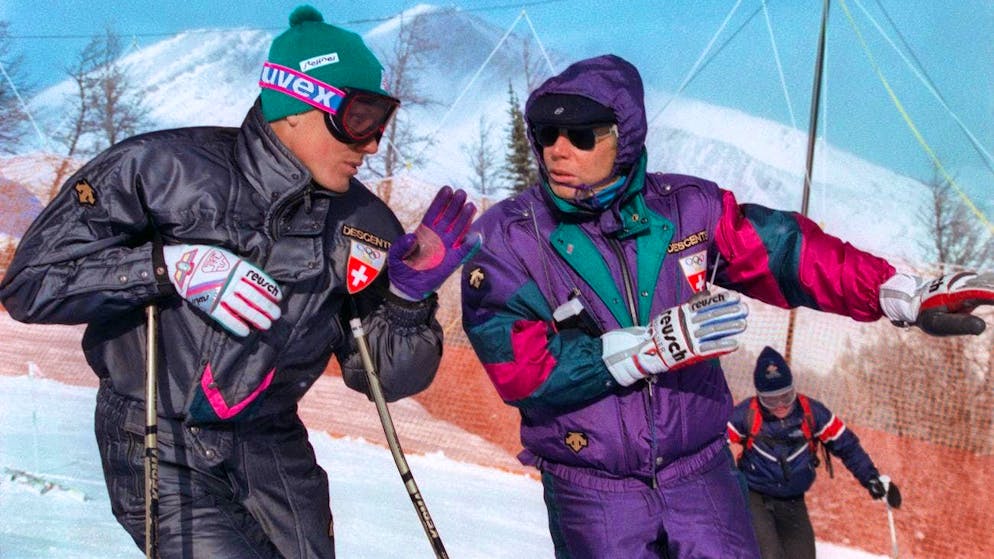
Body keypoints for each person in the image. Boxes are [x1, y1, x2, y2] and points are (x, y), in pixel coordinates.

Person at [459, 53, 994, 559]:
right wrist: (646, 349)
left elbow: (788, 254)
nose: (557, 149)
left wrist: (893, 290)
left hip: (701, 477)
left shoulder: (689, 210)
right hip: (594, 492)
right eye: (546, 134)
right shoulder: (507, 240)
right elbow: (522, 373)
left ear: (624, 138)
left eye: (579, 135)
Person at [0, 6, 479, 558]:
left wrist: (405, 301)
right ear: (298, 105)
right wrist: (166, 267)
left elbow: (384, 380)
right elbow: (31, 283)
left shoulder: (362, 224)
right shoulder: (160, 171)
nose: (371, 145)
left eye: (382, 121)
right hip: (161, 436)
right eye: (359, 118)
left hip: (274, 454)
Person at [727, 346, 901, 559]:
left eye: (786, 396)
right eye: (772, 400)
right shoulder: (748, 413)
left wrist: (872, 479)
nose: (781, 405)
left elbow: (847, 446)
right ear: (760, 397)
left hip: (792, 500)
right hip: (755, 495)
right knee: (769, 554)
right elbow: (714, 444)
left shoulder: (812, 413)